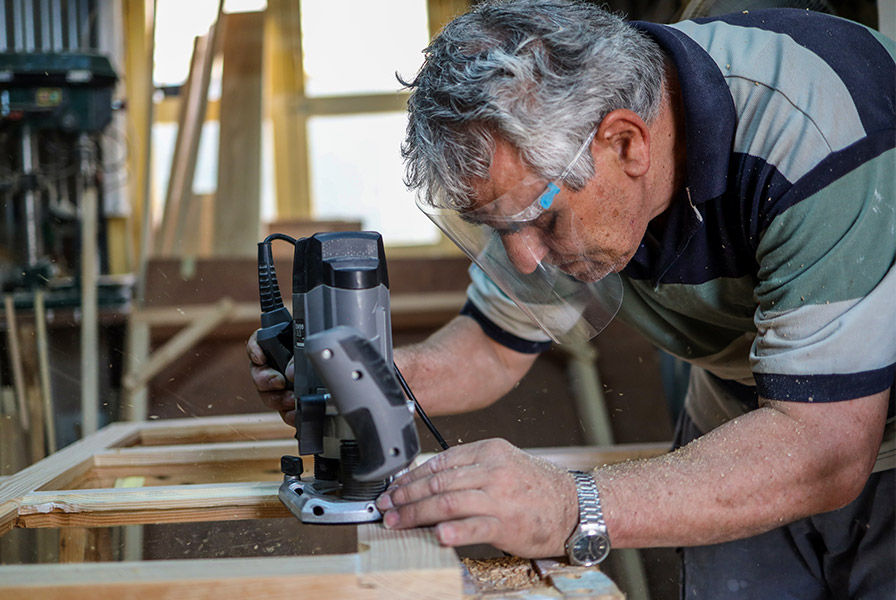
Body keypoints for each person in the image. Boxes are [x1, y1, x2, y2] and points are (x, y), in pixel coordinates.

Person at [249, 1, 895, 597]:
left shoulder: (817, 137)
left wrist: (569, 505)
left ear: (626, 144)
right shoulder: (554, 161)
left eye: (540, 222)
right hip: (741, 411)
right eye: (501, 231)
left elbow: (826, 450)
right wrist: (357, 377)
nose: (525, 258)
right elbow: (492, 349)